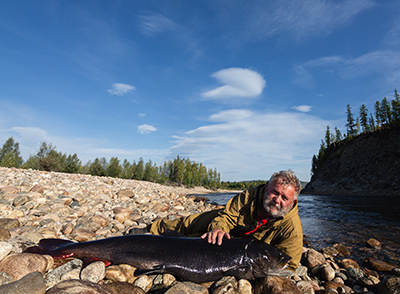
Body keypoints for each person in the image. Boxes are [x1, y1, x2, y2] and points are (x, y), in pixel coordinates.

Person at [136, 170, 303, 271]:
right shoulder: (250, 196)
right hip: (229, 229)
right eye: (275, 192)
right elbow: (227, 215)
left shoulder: (292, 228)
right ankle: (153, 228)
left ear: (293, 202)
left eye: (284, 198)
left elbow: (290, 264)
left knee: (195, 239)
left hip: (245, 249)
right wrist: (218, 228)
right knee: (192, 222)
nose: (277, 199)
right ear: (267, 186)